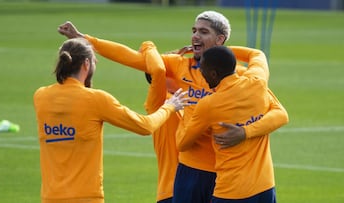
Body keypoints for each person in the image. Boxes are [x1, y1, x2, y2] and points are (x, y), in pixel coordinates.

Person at [57, 10, 288, 203]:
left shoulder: (238, 76)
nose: (195, 36)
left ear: (220, 40)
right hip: (191, 169)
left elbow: (278, 113)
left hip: (225, 174)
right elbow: (133, 58)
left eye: (203, 32)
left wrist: (245, 132)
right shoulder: (178, 65)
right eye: (194, 30)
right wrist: (86, 40)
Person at [33, 38, 188, 203]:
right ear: (86, 64)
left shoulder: (40, 97)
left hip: (50, 197)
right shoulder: (96, 100)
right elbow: (145, 126)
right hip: (86, 197)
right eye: (94, 61)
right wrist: (169, 107)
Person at [177, 46, 288, 203]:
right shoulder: (257, 82)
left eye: (203, 70)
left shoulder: (209, 104)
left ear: (213, 74)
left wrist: (181, 110)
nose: (201, 74)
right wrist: (246, 131)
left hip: (231, 192)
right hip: (265, 188)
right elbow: (257, 54)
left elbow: (182, 144)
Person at [140, 41, 182, 203]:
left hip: (196, 187)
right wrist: (148, 46)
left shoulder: (187, 98)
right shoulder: (159, 101)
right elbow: (157, 69)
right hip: (171, 192)